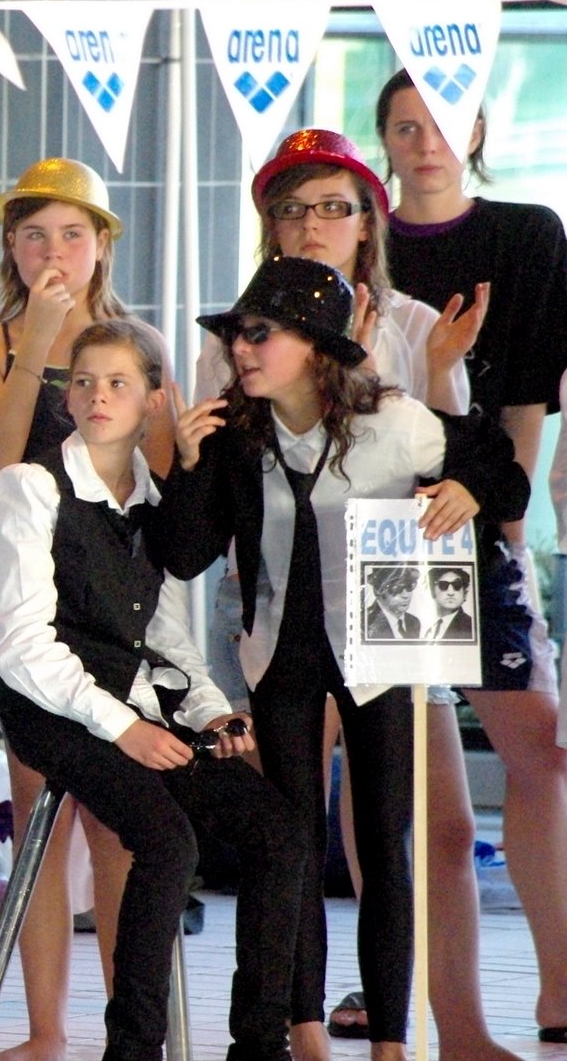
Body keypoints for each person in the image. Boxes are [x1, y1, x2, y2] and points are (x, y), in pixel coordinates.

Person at [157, 256, 529, 1061]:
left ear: (317, 346)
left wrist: (467, 486)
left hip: (380, 648)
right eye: (236, 335)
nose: (240, 350)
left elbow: (503, 472)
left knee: (385, 844)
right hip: (277, 654)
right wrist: (184, 468)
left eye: (259, 334)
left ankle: (392, 1038)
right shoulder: (232, 436)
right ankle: (305, 1029)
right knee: (290, 843)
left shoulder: (390, 421)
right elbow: (182, 555)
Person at [0, 317, 302, 1061]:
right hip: (48, 706)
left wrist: (208, 709)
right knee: (166, 840)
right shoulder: (30, 485)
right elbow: (22, 645)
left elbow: (163, 629)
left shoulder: (153, 499)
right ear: (67, 398)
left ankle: (261, 1044)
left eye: (118, 383)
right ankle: (132, 1049)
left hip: (132, 703)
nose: (98, 395)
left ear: (154, 400)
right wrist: (124, 727)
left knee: (279, 833)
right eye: (84, 381)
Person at [0, 157, 169, 1061]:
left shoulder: (138, 344)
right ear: (10, 245)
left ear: (102, 245)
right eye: (35, 234)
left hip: (119, 605)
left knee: (122, 825)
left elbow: (164, 478)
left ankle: (131, 1029)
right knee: (37, 812)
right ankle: (46, 1030)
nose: (54, 251)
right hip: (26, 602)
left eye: (72, 234)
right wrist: (38, 341)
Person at [378, 68, 567, 1050]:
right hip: (382, 539)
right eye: (405, 127)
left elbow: (528, 392)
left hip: (481, 517)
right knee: (414, 797)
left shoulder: (527, 234)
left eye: (444, 124)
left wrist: (509, 516)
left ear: (481, 128)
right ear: (383, 139)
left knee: (541, 748)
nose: (427, 145)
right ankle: (394, 991)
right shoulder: (358, 242)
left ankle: (559, 984)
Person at [362, 566, 421, 642]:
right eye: (397, 588)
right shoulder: (363, 624)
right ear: (378, 590)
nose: (406, 595)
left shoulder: (414, 622)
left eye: (409, 586)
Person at [426, 568, 475, 641]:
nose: (451, 592)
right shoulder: (427, 627)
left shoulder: (471, 626)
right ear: (432, 591)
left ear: (465, 593)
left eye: (457, 585)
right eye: (443, 585)